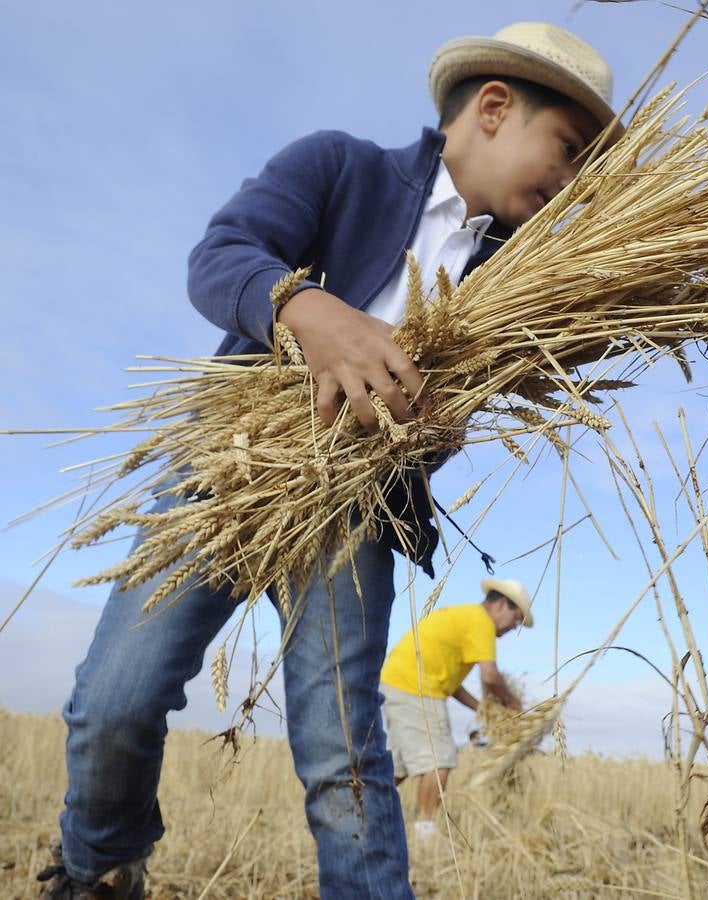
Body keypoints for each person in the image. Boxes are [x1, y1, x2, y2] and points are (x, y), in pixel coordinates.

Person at [37, 22, 619, 900]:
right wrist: (311, 311)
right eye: (568, 150)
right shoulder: (341, 166)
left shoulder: (515, 275)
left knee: (343, 747)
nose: (569, 182)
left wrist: (437, 431)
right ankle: (98, 869)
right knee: (116, 697)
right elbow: (222, 255)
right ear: (494, 108)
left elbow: (452, 407)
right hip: (230, 463)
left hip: (360, 505)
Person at [379, 578, 530, 838]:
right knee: (439, 761)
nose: (513, 627)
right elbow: (490, 677)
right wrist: (513, 704)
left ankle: (359, 816)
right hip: (416, 688)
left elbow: (453, 686)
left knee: (399, 767)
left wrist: (483, 710)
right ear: (502, 604)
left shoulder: (467, 618)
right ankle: (425, 832)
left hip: (400, 682)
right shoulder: (481, 622)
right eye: (516, 619)